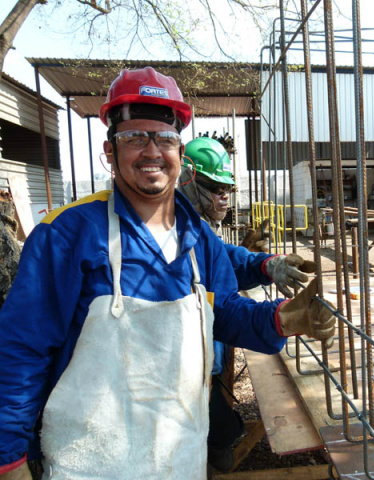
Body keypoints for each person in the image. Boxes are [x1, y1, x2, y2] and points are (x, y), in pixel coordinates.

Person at [0, 67, 335, 480]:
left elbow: (223, 311)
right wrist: (9, 458)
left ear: (179, 150)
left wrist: (282, 318)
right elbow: (21, 349)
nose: (151, 151)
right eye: (134, 137)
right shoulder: (69, 234)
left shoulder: (198, 237)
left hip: (180, 457)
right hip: (90, 463)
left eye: (164, 138)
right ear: (110, 150)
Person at [178, 135, 314, 472]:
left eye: (228, 189)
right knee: (214, 435)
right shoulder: (165, 229)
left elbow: (224, 259)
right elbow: (222, 308)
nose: (224, 197)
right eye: (214, 187)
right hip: (177, 371)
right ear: (186, 178)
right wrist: (277, 320)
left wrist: (265, 264)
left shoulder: (196, 228)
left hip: (199, 362)